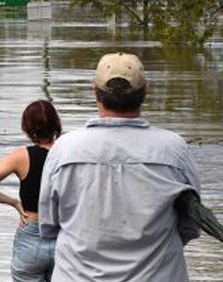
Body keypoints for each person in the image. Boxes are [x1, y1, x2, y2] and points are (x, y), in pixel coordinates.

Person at [39, 52, 201, 281]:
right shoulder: (174, 150)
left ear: (94, 90)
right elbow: (191, 225)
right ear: (145, 91)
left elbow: (48, 226)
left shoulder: (64, 150)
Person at [0, 100, 61, 282]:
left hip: (30, 232)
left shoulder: (21, 156)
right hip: (62, 234)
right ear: (55, 124)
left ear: (27, 127)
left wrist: (14, 203)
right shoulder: (67, 153)